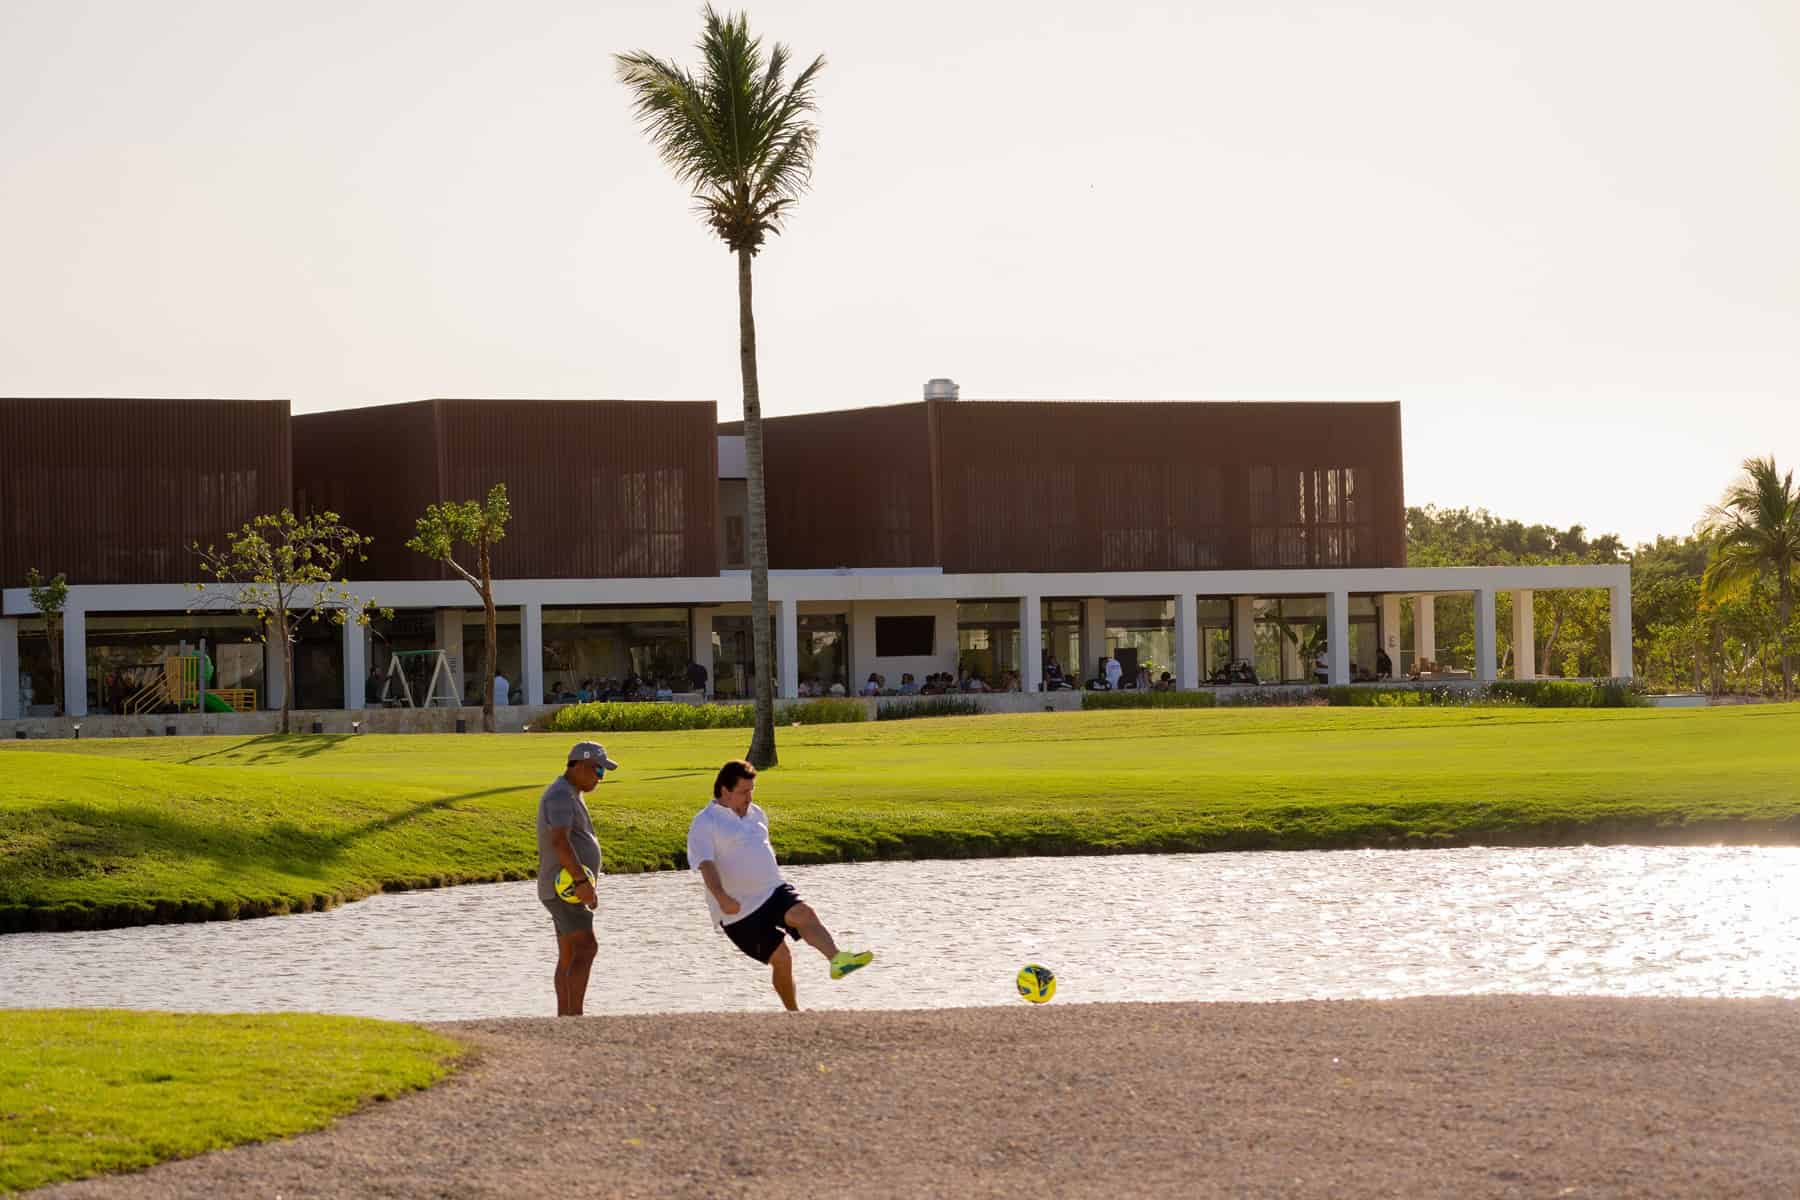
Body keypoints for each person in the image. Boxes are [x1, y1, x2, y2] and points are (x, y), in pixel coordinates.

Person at [687, 760, 873, 1010]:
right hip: (739, 910)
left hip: (772, 890)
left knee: (803, 913)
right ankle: (793, 1014)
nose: (749, 797)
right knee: (782, 959)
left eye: (752, 790)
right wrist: (721, 897)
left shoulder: (757, 814)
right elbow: (706, 865)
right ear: (724, 791)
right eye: (743, 791)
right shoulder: (705, 822)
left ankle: (837, 960)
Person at [537, 740, 619, 1016]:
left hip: (567, 889)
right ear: (580, 765)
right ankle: (575, 1019)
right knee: (586, 947)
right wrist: (582, 883)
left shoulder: (570, 793)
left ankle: (566, 1019)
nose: (600, 778)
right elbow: (560, 842)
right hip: (566, 890)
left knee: (570, 954)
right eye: (598, 771)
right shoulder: (561, 795)